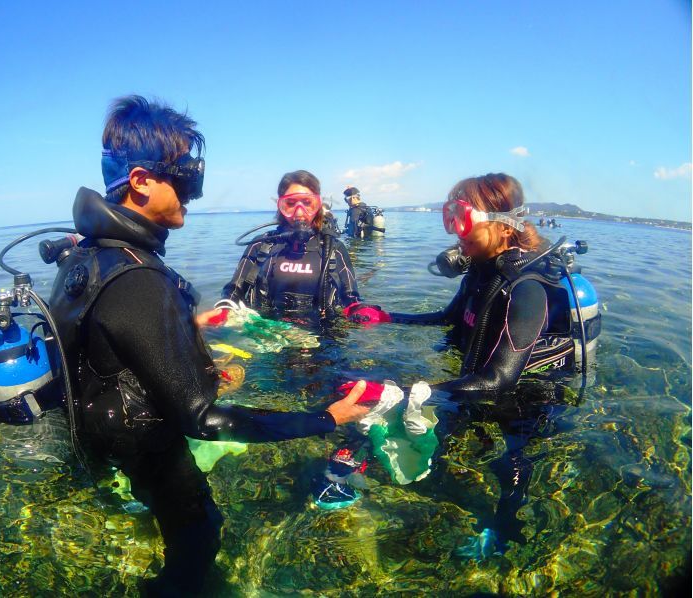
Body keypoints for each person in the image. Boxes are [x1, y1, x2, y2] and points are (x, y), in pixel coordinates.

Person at [48, 96, 370, 596]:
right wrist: (325, 419)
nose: (192, 192)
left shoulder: (88, 256)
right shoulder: (138, 278)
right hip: (149, 455)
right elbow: (204, 419)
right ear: (140, 180)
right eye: (183, 177)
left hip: (104, 441)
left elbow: (111, 347)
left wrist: (189, 330)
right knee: (199, 541)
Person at [342, 173, 601, 549]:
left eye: (461, 218)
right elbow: (448, 318)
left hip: (525, 399)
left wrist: (394, 392)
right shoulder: (483, 271)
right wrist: (387, 317)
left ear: (503, 223)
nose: (454, 231)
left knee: (508, 465)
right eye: (449, 217)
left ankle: (503, 531)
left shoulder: (527, 288)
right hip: (473, 383)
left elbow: (499, 381)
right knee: (440, 442)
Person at [222, 170, 360, 318]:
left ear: (318, 205)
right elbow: (234, 291)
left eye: (307, 203)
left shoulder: (334, 248)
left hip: (322, 336)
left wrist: (361, 311)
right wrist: (223, 311)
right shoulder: (261, 245)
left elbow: (351, 299)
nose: (299, 213)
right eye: (290, 203)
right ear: (280, 206)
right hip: (265, 333)